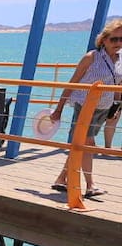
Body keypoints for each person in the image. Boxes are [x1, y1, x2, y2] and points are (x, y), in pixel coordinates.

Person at [50, 18, 122, 199]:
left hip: (103, 108)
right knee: (88, 144)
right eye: (114, 39)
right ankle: (91, 185)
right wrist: (58, 110)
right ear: (103, 40)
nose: (118, 43)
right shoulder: (91, 58)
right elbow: (72, 83)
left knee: (80, 146)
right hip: (84, 106)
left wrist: (117, 105)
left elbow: (118, 84)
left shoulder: (121, 60)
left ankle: (61, 179)